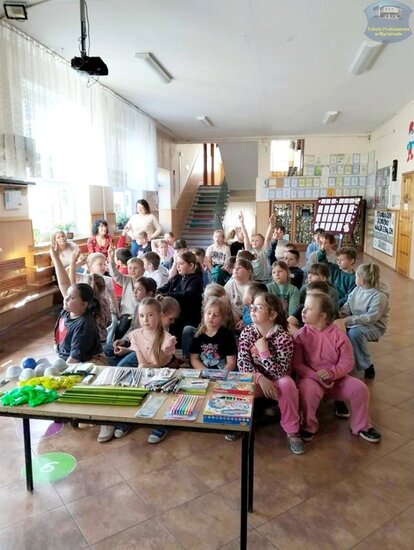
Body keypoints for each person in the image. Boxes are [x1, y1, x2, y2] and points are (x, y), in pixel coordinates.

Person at [293, 292, 381, 443]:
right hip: (311, 380)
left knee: (360, 388)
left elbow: (347, 362)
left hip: (337, 380)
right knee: (307, 390)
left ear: (322, 315)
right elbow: (297, 364)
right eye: (304, 307)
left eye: (309, 308)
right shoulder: (301, 335)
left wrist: (332, 373)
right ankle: (308, 425)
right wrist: (316, 376)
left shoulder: (339, 335)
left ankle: (362, 426)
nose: (303, 310)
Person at [237, 292, 304, 455]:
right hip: (256, 380)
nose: (252, 310)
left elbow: (282, 371)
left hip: (276, 381)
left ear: (272, 314)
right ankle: (238, 423)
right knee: (238, 384)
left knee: (287, 383)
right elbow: (242, 363)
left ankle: (292, 431)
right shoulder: (247, 332)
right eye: (252, 307)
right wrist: (260, 378)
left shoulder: (284, 337)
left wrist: (264, 353)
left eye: (258, 307)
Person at [130, 297, 176, 444]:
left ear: (159, 316)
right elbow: (141, 363)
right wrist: (144, 368)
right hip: (146, 371)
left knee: (161, 395)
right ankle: (127, 421)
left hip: (162, 373)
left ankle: (161, 425)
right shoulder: (135, 335)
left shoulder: (166, 338)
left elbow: (160, 364)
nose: (145, 320)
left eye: (150, 315)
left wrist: (166, 353)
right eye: (142, 315)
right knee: (133, 386)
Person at [49, 244, 104, 365]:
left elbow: (75, 359)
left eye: (72, 297)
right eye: (67, 296)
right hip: (67, 358)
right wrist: (55, 257)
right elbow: (64, 283)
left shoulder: (84, 324)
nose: (66, 298)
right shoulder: (70, 308)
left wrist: (59, 373)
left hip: (87, 363)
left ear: (83, 304)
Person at [336, 263, 389, 379]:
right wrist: (343, 312)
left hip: (375, 326)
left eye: (356, 276)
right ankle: (341, 362)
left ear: (362, 280)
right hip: (356, 322)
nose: (355, 278)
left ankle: (367, 365)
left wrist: (348, 320)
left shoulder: (379, 296)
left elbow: (371, 318)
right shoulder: (357, 289)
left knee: (355, 333)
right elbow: (348, 303)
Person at [157, 251, 204, 346]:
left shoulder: (196, 280)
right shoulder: (177, 278)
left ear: (191, 265)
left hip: (187, 317)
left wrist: (166, 295)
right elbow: (164, 287)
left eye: (181, 264)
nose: (178, 266)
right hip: (173, 315)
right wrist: (156, 292)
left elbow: (187, 295)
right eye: (177, 264)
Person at [190, 296, 237, 370]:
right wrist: (205, 372)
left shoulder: (227, 336)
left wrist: (221, 374)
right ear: (204, 314)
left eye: (216, 315)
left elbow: (231, 363)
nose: (211, 317)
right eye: (208, 313)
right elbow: (194, 359)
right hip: (203, 372)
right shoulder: (198, 334)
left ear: (222, 318)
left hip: (223, 373)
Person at [108, 249, 144, 340]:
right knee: (121, 330)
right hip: (127, 314)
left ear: (143, 269)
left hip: (140, 313)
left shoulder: (145, 282)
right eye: (130, 268)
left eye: (136, 268)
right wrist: (111, 260)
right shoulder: (126, 279)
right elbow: (114, 274)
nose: (132, 270)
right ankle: (117, 343)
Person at [239, 211, 271, 283]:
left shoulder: (264, 251)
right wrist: (242, 223)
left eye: (257, 240)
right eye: (253, 240)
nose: (254, 242)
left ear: (262, 243)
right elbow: (245, 236)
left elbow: (268, 239)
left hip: (264, 280)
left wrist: (271, 225)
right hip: (252, 280)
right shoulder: (250, 251)